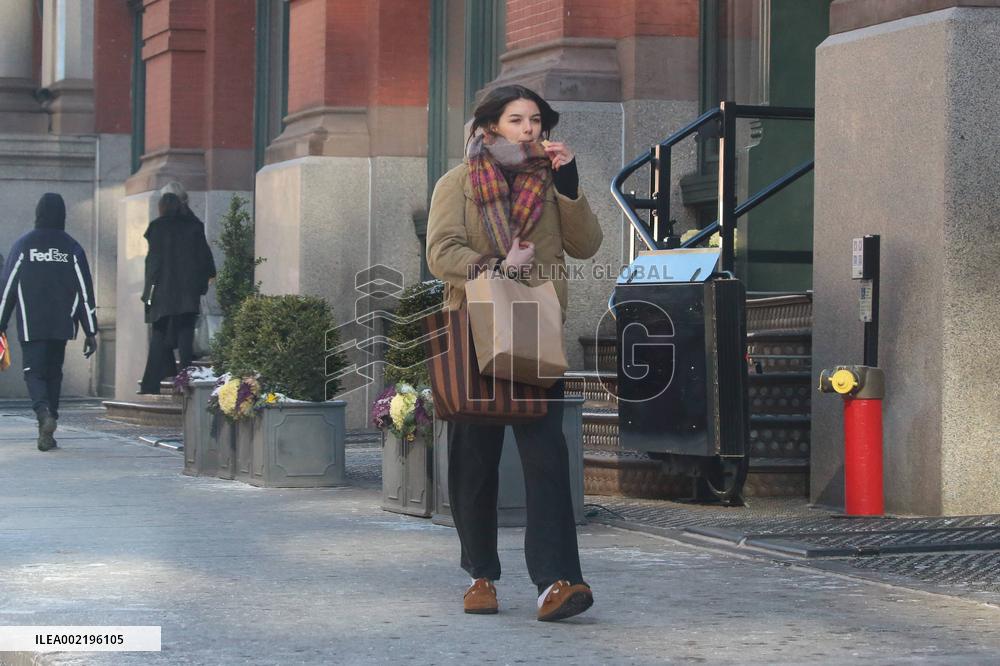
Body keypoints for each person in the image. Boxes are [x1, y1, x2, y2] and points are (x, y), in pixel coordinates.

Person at [425, 85, 603, 621]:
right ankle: (481, 574)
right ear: (489, 127)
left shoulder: (550, 183)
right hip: (476, 329)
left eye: (536, 121)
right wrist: (497, 263)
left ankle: (558, 581)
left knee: (547, 459)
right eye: (517, 119)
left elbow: (587, 245)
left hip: (534, 329)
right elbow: (440, 252)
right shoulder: (457, 182)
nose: (530, 129)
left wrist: (569, 183)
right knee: (474, 462)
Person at [0, 193, 98, 451]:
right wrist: (90, 330)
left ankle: (43, 414)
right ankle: (48, 430)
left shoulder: (23, 245)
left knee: (34, 372)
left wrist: (0, 323)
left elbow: (8, 287)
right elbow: (85, 292)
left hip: (32, 324)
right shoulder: (72, 248)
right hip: (61, 324)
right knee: (54, 373)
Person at [138, 191, 216, 394]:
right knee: (185, 334)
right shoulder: (193, 225)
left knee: (159, 333)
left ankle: (152, 382)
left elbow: (153, 263)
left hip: (162, 290)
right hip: (187, 290)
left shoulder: (157, 227)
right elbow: (205, 258)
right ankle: (185, 378)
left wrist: (148, 294)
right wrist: (202, 285)